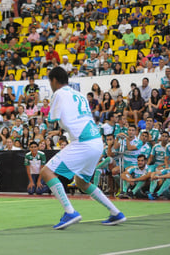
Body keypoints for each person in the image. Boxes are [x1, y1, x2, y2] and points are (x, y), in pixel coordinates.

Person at [40, 67, 126, 230]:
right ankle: (115, 212)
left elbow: (52, 119)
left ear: (54, 80)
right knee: (82, 181)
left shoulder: (58, 93)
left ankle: (70, 211)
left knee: (46, 172)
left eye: (50, 81)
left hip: (83, 142)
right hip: (96, 141)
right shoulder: (78, 94)